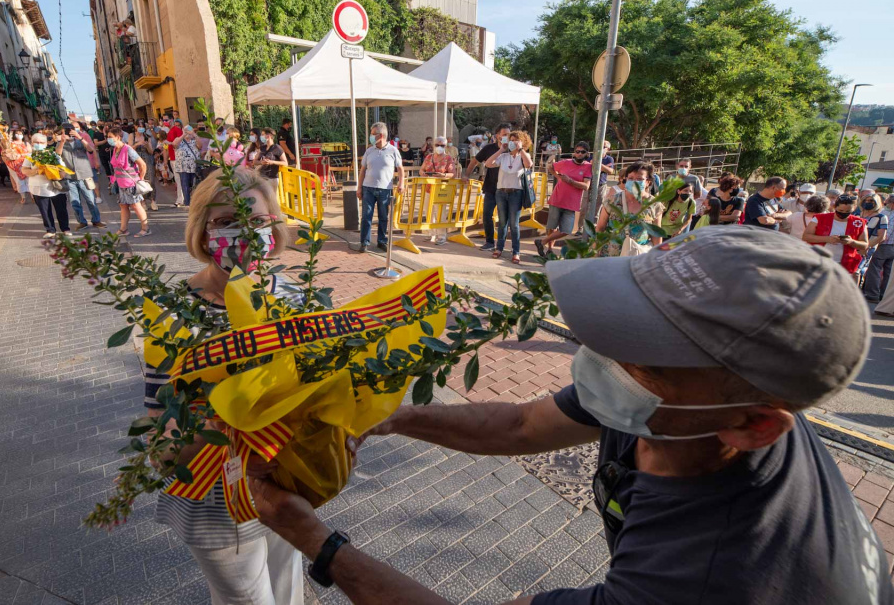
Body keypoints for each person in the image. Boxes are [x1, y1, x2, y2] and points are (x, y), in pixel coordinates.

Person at [249, 226, 889, 605]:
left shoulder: (709, 574)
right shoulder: (682, 405)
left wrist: (317, 541)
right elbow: (521, 427)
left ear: (755, 427)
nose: (597, 356)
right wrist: (392, 417)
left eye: (642, 353)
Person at [144, 168, 302, 605]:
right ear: (201, 230)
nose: (245, 234)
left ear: (275, 222)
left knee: (288, 590)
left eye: (256, 220)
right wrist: (233, 448)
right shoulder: (170, 311)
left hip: (283, 485)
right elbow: (161, 425)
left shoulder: (292, 298)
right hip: (212, 498)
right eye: (227, 221)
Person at [485, 130, 533, 264]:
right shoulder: (504, 156)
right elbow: (488, 163)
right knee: (502, 222)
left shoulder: (524, 155)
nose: (512, 143)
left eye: (515, 140)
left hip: (516, 193)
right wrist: (501, 150)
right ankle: (499, 248)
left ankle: (516, 251)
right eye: (511, 140)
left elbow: (528, 164)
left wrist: (521, 149)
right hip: (501, 192)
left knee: (514, 224)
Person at [595, 160, 664, 255]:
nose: (634, 182)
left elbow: (656, 234)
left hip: (638, 256)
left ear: (648, 182)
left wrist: (657, 255)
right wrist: (594, 251)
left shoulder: (654, 205)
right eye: (631, 178)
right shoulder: (612, 201)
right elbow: (600, 228)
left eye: (639, 179)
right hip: (611, 256)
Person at [536, 142, 592, 256]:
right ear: (574, 153)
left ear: (587, 154)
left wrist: (570, 181)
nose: (579, 154)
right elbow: (551, 167)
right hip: (557, 199)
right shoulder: (565, 163)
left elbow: (586, 186)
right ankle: (550, 250)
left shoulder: (588, 167)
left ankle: (542, 242)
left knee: (566, 230)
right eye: (577, 151)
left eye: (582, 152)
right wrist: (558, 177)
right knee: (551, 226)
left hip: (572, 204)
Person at [463, 123, 512, 251]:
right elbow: (475, 161)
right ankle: (489, 242)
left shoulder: (513, 148)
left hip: (506, 189)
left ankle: (501, 244)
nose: (507, 137)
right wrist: (466, 175)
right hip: (490, 187)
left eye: (509, 134)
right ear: (498, 136)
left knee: (503, 218)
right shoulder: (489, 148)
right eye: (504, 134)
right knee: (487, 215)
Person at [357, 122, 404, 252]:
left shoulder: (393, 150)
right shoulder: (369, 151)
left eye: (373, 134)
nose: (371, 137)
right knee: (366, 216)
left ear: (381, 135)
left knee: (383, 217)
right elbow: (363, 170)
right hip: (368, 188)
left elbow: (400, 169)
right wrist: (359, 187)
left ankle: (381, 241)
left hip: (385, 189)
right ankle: (364, 242)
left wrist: (401, 183)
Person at [55, 123, 106, 231]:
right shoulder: (60, 143)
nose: (69, 132)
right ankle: (82, 222)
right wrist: (62, 141)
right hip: (70, 177)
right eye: (66, 131)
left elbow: (90, 149)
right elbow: (57, 155)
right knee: (75, 202)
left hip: (84, 175)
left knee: (90, 199)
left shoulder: (80, 140)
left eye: (70, 130)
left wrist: (80, 138)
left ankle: (96, 220)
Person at [21, 133, 71, 239]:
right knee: (44, 210)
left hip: (55, 187)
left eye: (41, 142)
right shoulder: (30, 157)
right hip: (39, 188)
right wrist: (35, 171)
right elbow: (24, 170)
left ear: (46, 143)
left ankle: (65, 228)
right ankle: (50, 229)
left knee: (61, 209)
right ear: (32, 143)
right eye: (36, 142)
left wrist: (55, 173)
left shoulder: (52, 154)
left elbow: (62, 169)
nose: (39, 144)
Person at [803, 194, 868, 275]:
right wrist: (827, 239)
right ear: (835, 207)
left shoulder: (859, 223)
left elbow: (865, 245)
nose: (844, 213)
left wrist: (851, 242)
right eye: (841, 210)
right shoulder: (820, 218)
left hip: (844, 263)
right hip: (819, 259)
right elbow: (806, 236)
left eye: (848, 211)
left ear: (854, 208)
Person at [107, 126, 151, 237]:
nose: (108, 139)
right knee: (123, 206)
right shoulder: (115, 150)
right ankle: (123, 229)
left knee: (136, 206)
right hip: (121, 183)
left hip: (130, 183)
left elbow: (142, 164)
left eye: (110, 137)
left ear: (117, 137)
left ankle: (145, 228)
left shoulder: (128, 149)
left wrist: (140, 178)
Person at [420, 136, 457, 246]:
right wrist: (423, 173)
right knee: (428, 211)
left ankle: (441, 235)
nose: (439, 147)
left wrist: (443, 175)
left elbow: (453, 174)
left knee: (441, 213)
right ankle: (430, 232)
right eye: (437, 145)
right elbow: (422, 169)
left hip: (441, 190)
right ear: (433, 145)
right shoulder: (428, 157)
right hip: (428, 188)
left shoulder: (448, 158)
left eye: (442, 145)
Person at [864, 194, 894, 303]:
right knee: (888, 273)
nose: (886, 205)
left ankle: (872, 294)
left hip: (884, 246)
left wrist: (872, 244)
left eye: (888, 203)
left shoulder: (887, 214)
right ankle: (884, 295)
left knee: (874, 270)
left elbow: (886, 235)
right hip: (891, 247)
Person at [858, 193, 888, 291]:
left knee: (858, 270)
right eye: (866, 200)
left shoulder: (881, 217)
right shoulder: (857, 214)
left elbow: (881, 237)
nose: (868, 202)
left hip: (867, 248)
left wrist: (865, 246)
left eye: (871, 201)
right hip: (853, 245)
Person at [173, 125, 202, 208]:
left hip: (194, 166)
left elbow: (200, 146)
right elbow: (175, 144)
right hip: (183, 167)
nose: (187, 132)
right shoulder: (179, 139)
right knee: (185, 184)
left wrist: (194, 134)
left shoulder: (195, 140)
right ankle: (187, 203)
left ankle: (195, 201)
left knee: (194, 184)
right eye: (185, 130)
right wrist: (183, 134)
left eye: (189, 129)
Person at [5, 128, 31, 204]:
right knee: (19, 181)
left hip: (26, 163)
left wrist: (22, 155)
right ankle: (23, 197)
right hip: (15, 165)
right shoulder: (10, 144)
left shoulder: (25, 143)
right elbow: (9, 154)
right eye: (17, 134)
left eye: (20, 134)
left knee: (29, 180)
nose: (19, 135)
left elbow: (30, 152)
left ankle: (33, 196)